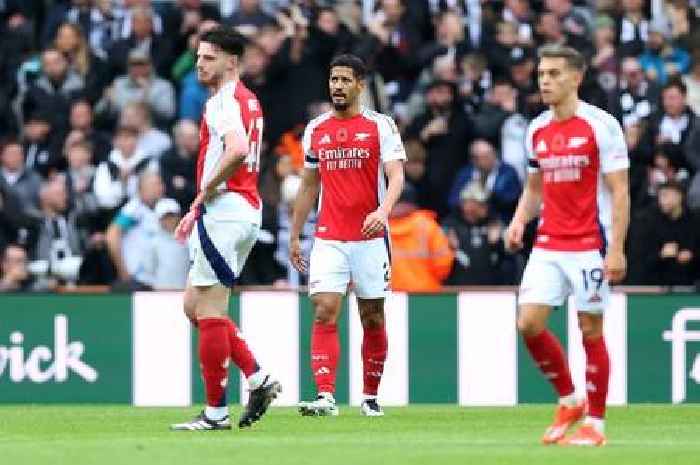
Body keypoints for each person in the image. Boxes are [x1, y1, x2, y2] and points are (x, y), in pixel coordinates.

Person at [505, 45, 630, 447]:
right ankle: (569, 399)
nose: (545, 80)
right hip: (547, 244)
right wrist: (520, 219)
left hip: (589, 245)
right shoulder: (536, 129)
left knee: (590, 328)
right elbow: (534, 186)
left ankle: (596, 422)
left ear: (576, 78)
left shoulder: (601, 126)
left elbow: (620, 190)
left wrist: (616, 248)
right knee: (528, 323)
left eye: (555, 74)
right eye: (542, 73)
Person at [169, 27, 280, 432]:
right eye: (198, 57)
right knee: (193, 307)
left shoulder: (222, 102)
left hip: (226, 211)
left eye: (209, 57)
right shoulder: (250, 101)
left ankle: (216, 413)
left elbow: (235, 149)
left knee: (211, 311)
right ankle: (257, 377)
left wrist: (205, 191)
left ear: (232, 61)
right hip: (242, 210)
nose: (200, 64)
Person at [290, 54, 406, 417]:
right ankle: (325, 396)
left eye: (344, 80)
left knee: (372, 315)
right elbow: (309, 186)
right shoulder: (316, 129)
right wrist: (295, 235)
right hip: (329, 237)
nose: (337, 86)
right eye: (333, 79)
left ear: (360, 84)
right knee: (324, 310)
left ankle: (370, 397)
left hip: (370, 239)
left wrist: (382, 212)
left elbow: (396, 176)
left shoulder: (380, 126)